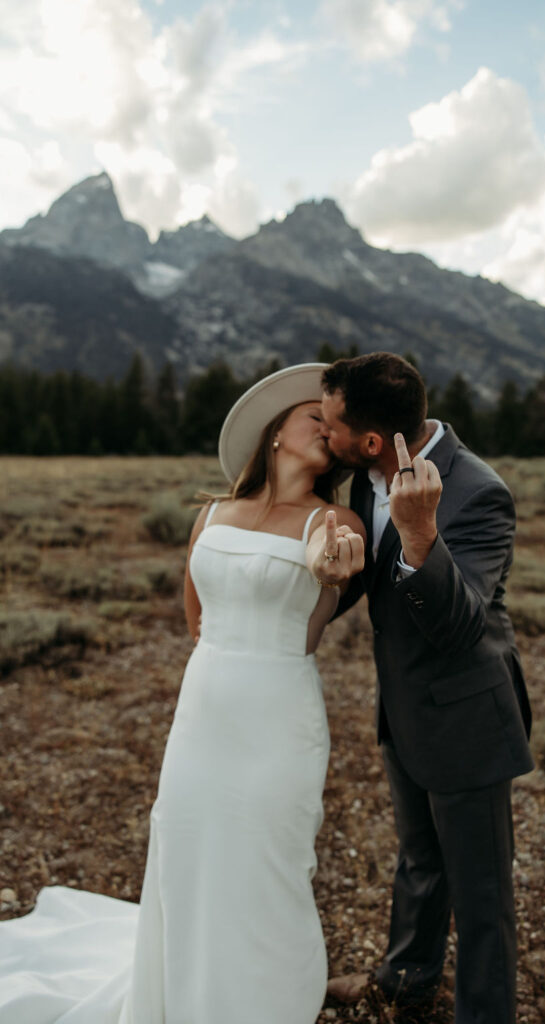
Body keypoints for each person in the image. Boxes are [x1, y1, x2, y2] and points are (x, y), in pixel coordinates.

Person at [0, 363, 365, 1024]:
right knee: (192, 842)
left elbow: (319, 606)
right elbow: (195, 618)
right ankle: (183, 985)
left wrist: (328, 578)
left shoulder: (334, 522)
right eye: (315, 416)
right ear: (276, 432)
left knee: (269, 852)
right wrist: (221, 662)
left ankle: (263, 999)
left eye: (334, 424)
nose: (327, 429)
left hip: (279, 710)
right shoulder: (212, 512)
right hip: (205, 705)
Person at [319, 352, 533, 1024]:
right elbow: (371, 584)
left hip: (465, 716)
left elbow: (462, 624)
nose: (326, 438)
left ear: (372, 441)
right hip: (404, 707)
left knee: (480, 894)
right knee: (419, 860)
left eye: (331, 428)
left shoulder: (478, 492)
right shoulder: (366, 478)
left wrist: (418, 533)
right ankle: (407, 977)